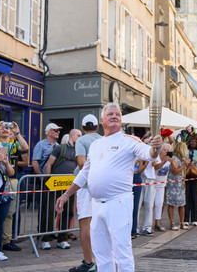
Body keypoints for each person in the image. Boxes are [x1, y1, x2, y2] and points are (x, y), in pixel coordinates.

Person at [55, 103, 162, 272]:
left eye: (117, 114)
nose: (114, 116)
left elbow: (148, 154)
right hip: (96, 204)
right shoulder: (97, 144)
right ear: (102, 120)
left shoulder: (128, 141)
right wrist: (66, 195)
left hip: (119, 202)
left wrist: (155, 148)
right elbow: (85, 173)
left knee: (122, 251)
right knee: (102, 252)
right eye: (110, 114)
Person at [0, 121, 28, 252]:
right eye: (2, 129)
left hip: (8, 180)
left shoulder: (12, 144)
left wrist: (17, 132)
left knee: (8, 213)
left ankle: (4, 241)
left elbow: (25, 147)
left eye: (7, 129)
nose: (5, 130)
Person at [69, 114, 101, 272]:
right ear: (97, 127)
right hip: (102, 187)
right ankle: (102, 260)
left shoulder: (81, 140)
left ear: (83, 128)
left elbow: (82, 164)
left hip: (85, 187)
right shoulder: (102, 140)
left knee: (85, 224)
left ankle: (89, 262)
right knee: (100, 225)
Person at [43, 128, 82, 250]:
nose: (80, 137)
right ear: (71, 135)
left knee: (68, 212)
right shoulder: (60, 148)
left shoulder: (79, 150)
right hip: (55, 185)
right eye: (78, 135)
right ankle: (45, 239)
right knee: (50, 212)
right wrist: (48, 181)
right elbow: (49, 164)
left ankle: (62, 239)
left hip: (69, 186)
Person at [165, 142, 190, 230]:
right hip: (173, 184)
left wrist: (187, 166)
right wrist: (184, 165)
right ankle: (172, 223)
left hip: (180, 184)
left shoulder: (183, 159)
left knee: (182, 204)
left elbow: (184, 173)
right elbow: (175, 171)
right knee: (171, 204)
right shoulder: (174, 159)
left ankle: (182, 222)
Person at [184, 133, 197, 226]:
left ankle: (195, 219)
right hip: (187, 174)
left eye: (194, 142)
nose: (193, 143)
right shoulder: (186, 150)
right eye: (191, 141)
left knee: (195, 197)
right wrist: (189, 140)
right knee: (186, 197)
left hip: (196, 174)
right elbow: (183, 146)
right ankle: (186, 219)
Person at [152, 143, 171, 231]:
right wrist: (164, 161)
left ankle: (157, 223)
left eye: (168, 150)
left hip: (162, 185)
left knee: (159, 204)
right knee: (150, 204)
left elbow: (174, 169)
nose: (166, 152)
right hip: (153, 184)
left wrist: (172, 161)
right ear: (160, 150)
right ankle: (148, 224)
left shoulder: (169, 160)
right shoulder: (157, 158)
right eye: (165, 150)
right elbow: (156, 167)